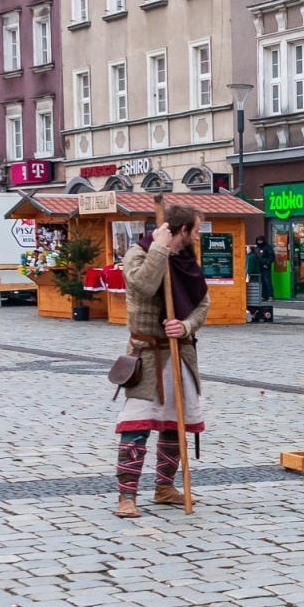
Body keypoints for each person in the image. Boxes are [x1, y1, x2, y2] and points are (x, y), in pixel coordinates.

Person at [113, 207, 210, 519]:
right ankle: (126, 496)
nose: (197, 236)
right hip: (148, 353)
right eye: (195, 231)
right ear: (180, 230)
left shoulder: (187, 261)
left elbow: (202, 302)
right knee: (136, 425)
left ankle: (164, 487)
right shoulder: (138, 254)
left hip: (180, 353)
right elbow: (144, 285)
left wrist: (186, 326)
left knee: (174, 425)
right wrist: (159, 248)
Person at [249, 235, 274, 302]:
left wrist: (267, 264)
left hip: (266, 266)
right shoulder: (256, 248)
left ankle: (270, 296)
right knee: (262, 282)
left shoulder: (268, 247)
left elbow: (271, 256)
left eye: (261, 241)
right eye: (258, 241)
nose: (259, 242)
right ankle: (264, 296)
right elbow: (255, 257)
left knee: (267, 281)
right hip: (258, 267)